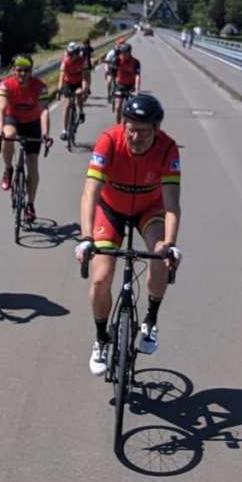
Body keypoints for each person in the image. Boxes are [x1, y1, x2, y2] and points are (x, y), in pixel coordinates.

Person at [75, 94, 183, 375]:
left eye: (144, 132)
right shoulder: (108, 141)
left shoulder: (168, 148)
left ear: (156, 130)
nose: (136, 137)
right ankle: (101, 338)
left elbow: (172, 203)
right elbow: (90, 193)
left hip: (149, 209)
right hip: (111, 208)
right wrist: (86, 238)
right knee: (101, 278)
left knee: (159, 256)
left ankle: (150, 320)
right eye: (131, 129)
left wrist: (170, 243)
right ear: (123, 125)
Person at [0, 55, 51, 222]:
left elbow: (44, 111)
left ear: (31, 71)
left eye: (26, 71)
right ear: (14, 70)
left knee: (32, 165)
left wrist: (45, 134)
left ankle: (30, 205)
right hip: (12, 119)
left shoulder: (40, 87)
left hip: (32, 123)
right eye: (19, 70)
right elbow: (1, 110)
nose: (22, 74)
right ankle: (8, 169)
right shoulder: (6, 85)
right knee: (8, 136)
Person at [58, 42, 86, 139]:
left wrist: (83, 89)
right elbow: (61, 76)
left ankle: (81, 112)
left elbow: (85, 77)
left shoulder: (81, 61)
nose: (70, 56)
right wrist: (59, 89)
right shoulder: (65, 61)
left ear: (77, 53)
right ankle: (64, 130)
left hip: (78, 82)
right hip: (68, 83)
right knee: (67, 104)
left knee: (79, 95)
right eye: (68, 54)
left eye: (72, 54)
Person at [112, 42, 141, 123]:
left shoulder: (135, 62)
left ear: (129, 53)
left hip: (131, 86)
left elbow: (137, 76)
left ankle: (128, 122)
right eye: (121, 53)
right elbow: (113, 72)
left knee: (130, 108)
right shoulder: (117, 60)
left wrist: (137, 90)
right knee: (118, 107)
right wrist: (114, 84)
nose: (122, 55)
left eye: (124, 53)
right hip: (120, 85)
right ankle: (118, 125)